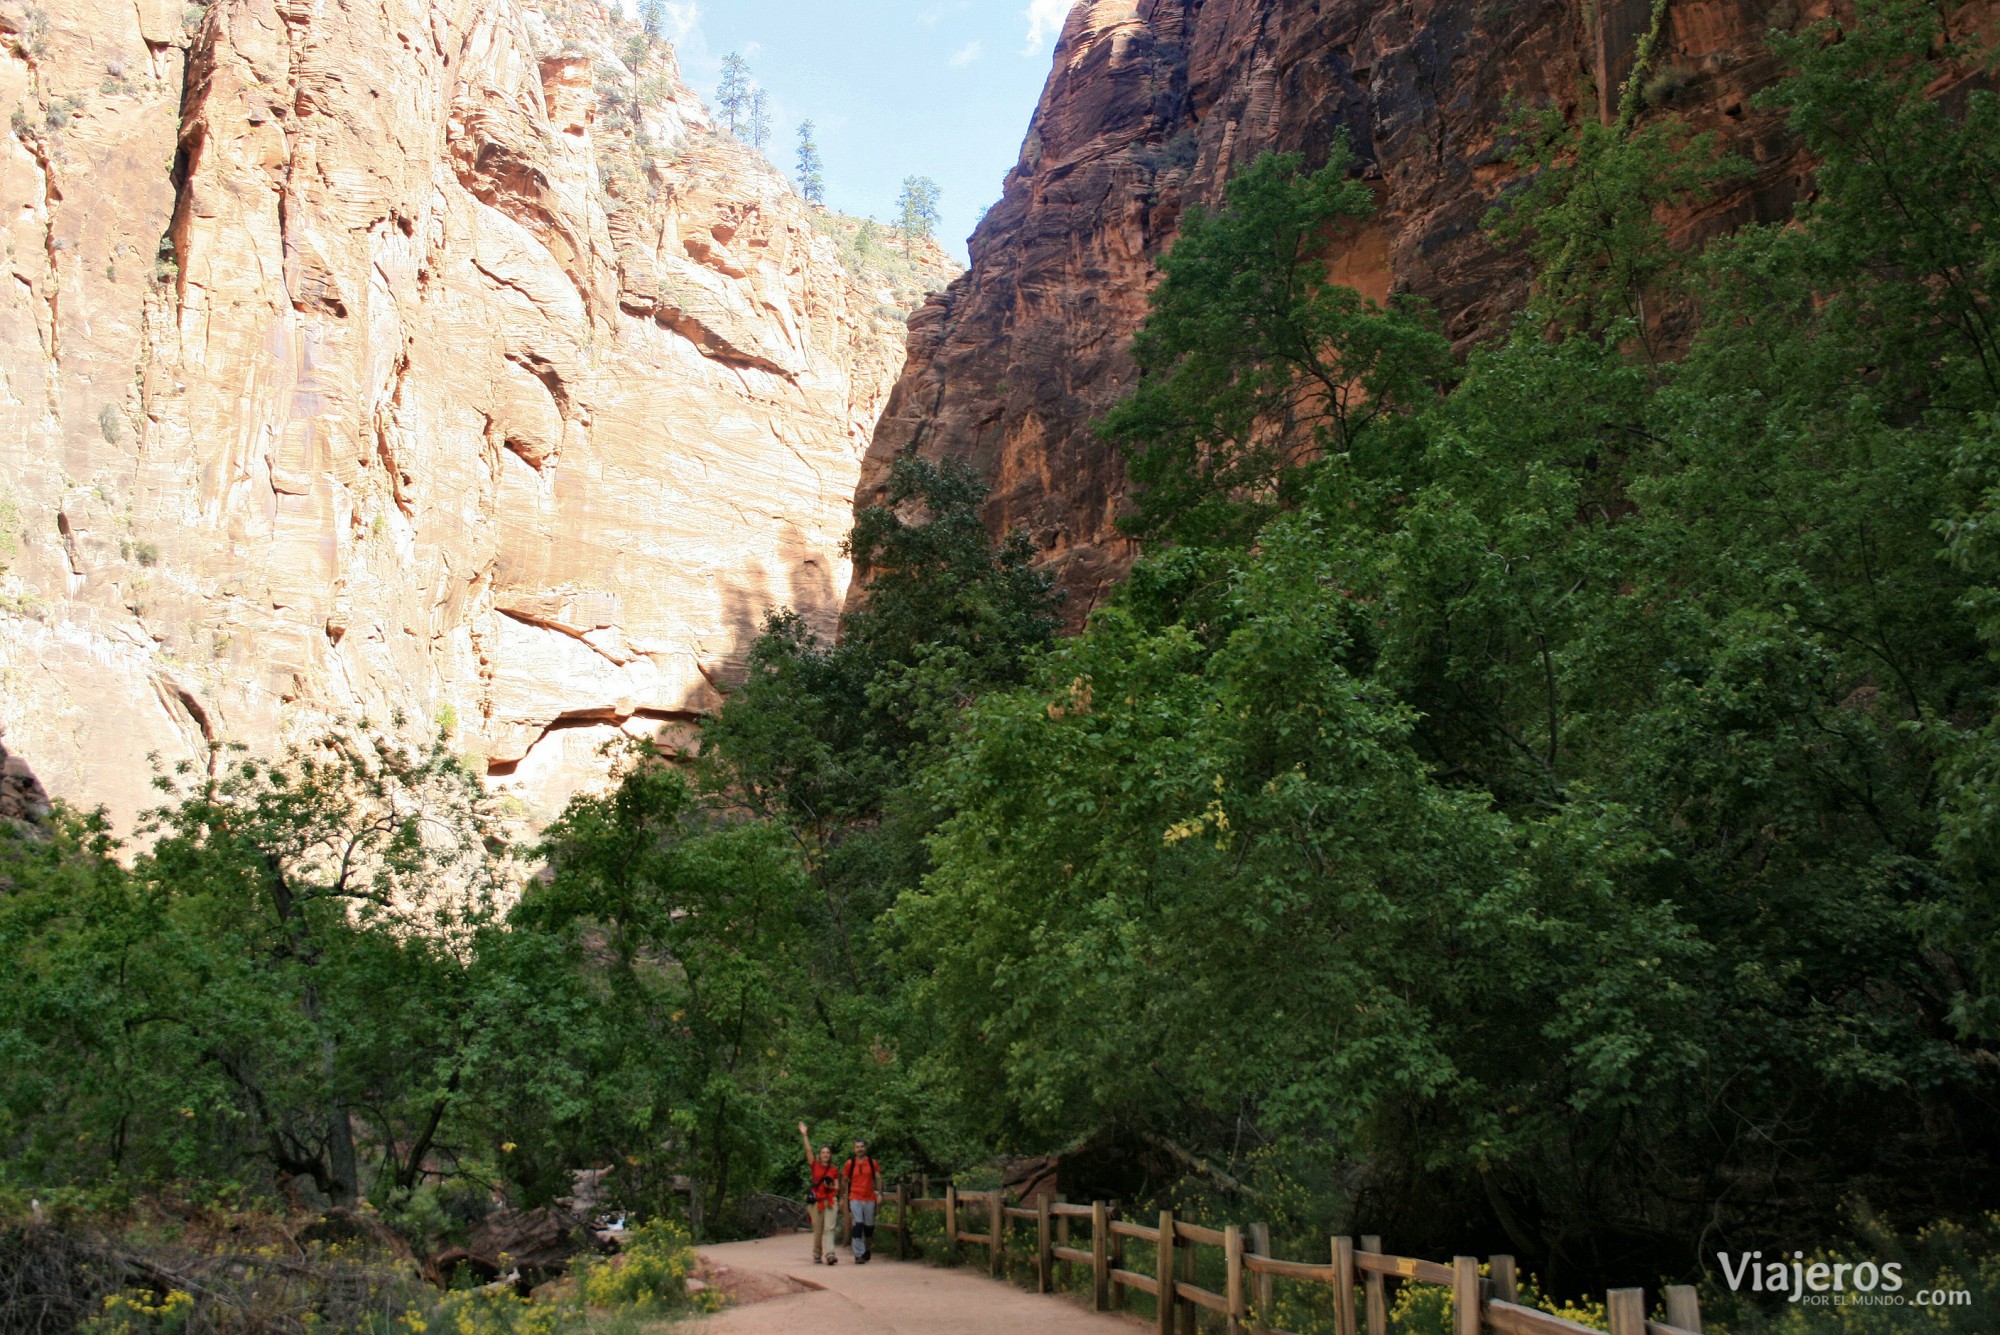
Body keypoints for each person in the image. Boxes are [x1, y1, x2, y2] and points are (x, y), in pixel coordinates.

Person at [798, 1121, 842, 1265]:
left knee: (830, 1228)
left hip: (829, 1200)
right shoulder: (815, 1165)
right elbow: (808, 1151)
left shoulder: (834, 1170)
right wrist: (805, 1135)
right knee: (818, 1229)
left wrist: (829, 1187)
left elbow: (837, 1187)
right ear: (820, 1155)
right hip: (817, 1201)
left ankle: (830, 1254)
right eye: (823, 1152)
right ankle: (817, 1254)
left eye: (828, 1153)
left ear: (830, 1155)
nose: (825, 1155)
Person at [841, 1137, 882, 1264]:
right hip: (855, 1197)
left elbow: (878, 1178)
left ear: (865, 1148)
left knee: (869, 1227)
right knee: (858, 1224)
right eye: (857, 1147)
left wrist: (879, 1193)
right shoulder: (850, 1164)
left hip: (869, 1197)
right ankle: (858, 1254)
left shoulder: (872, 1162)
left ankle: (867, 1249)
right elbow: (844, 1180)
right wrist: (843, 1196)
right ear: (854, 1149)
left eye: (862, 1147)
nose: (859, 1149)